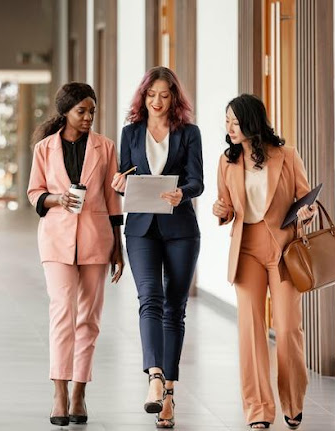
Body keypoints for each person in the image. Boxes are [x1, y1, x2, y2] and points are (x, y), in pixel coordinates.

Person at [212, 94, 317, 430]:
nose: (229, 127)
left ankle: (292, 401)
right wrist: (221, 210)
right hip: (246, 250)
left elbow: (305, 199)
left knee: (287, 329)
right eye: (226, 120)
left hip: (283, 249)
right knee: (252, 331)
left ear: (252, 121)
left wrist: (307, 213)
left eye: (235, 121)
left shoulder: (286, 156)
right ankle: (258, 409)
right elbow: (226, 207)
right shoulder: (226, 161)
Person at [27, 82, 124, 427]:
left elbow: (114, 202)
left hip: (97, 239)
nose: (87, 118)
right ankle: (59, 392)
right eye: (81, 111)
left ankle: (79, 392)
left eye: (92, 112)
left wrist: (118, 245)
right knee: (62, 313)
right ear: (65, 112)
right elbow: (34, 191)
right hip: (56, 239)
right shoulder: (44, 148)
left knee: (89, 319)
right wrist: (56, 198)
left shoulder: (106, 147)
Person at [111, 66, 203, 428]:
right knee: (149, 298)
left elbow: (197, 180)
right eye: (152, 95)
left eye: (165, 95)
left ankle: (169, 394)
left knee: (175, 309)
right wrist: (120, 184)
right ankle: (154, 377)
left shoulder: (189, 133)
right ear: (143, 96)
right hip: (141, 229)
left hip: (180, 228)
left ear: (174, 98)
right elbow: (124, 175)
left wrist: (183, 193)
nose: (158, 101)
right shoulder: (130, 132)